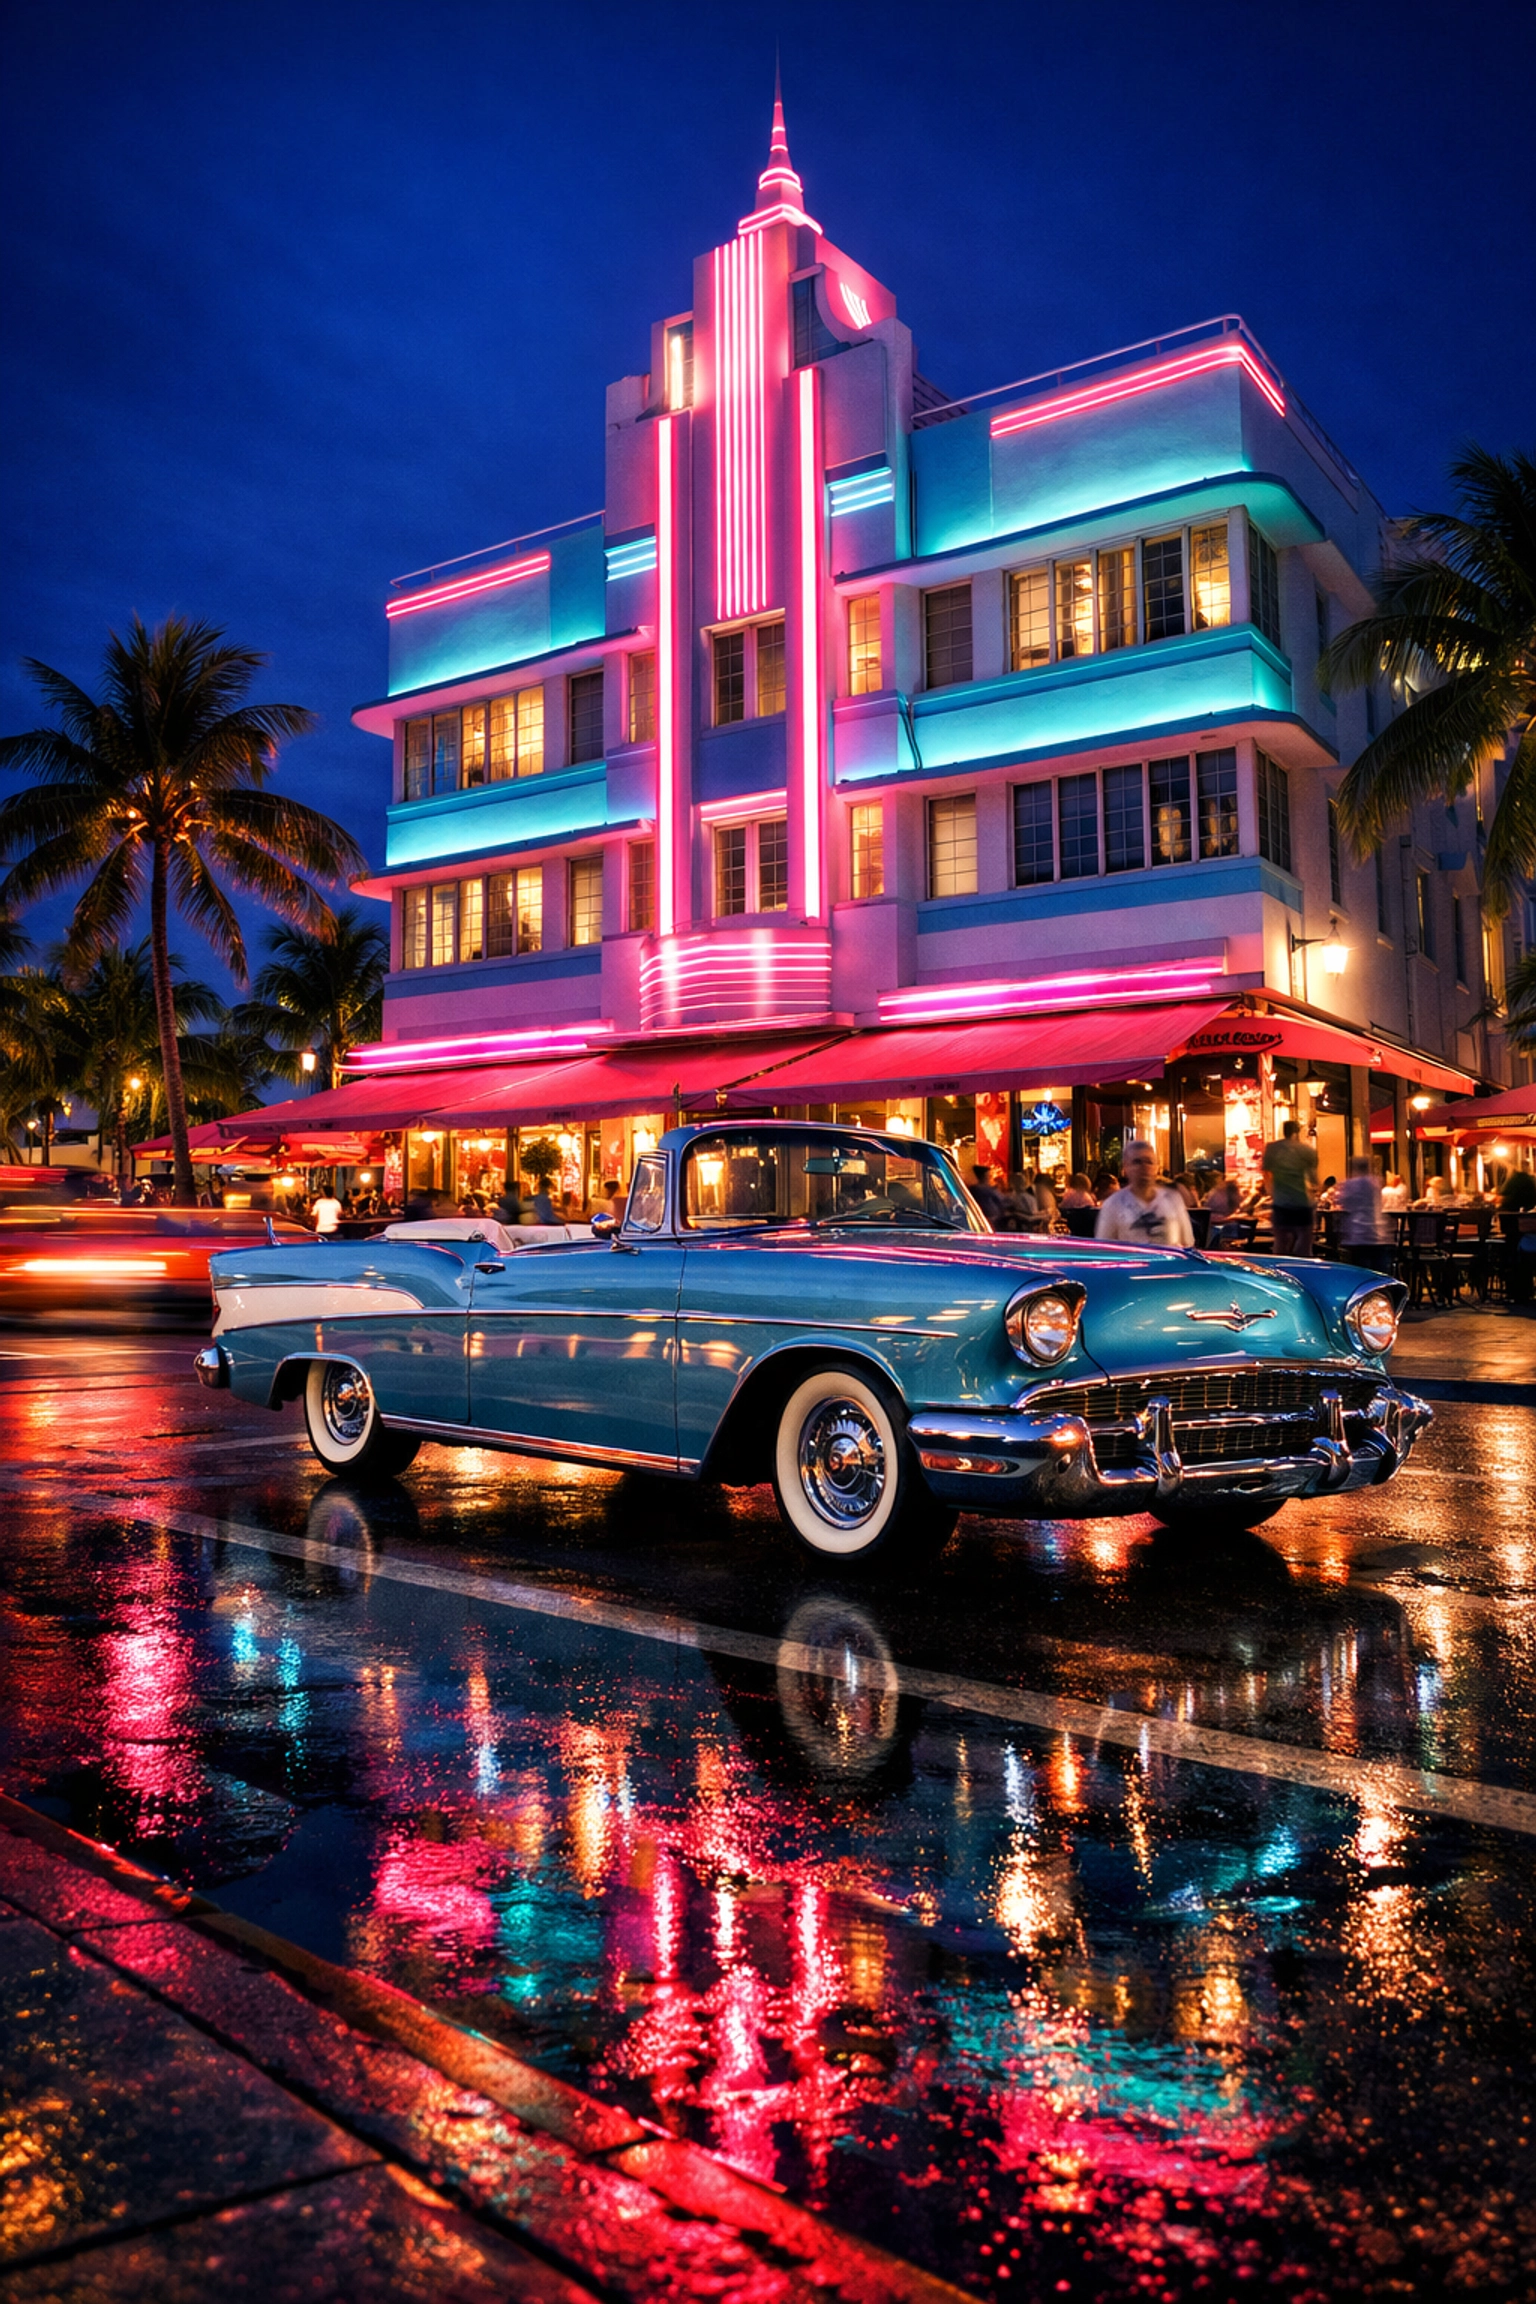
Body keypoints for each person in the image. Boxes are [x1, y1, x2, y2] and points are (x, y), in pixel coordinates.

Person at [1094, 1140, 1195, 1248]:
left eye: (1149, 1162)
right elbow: (1104, 1249)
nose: (1144, 1167)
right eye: (1137, 1162)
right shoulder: (1113, 1205)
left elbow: (1187, 1244)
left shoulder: (1173, 1200)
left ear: (1157, 1167)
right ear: (1126, 1167)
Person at [1262, 1120, 1318, 1256]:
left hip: (1281, 1202)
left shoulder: (1272, 1149)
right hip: (1302, 1201)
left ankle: (1280, 1268)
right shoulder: (1307, 1150)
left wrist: (1272, 1193)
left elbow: (1266, 1173)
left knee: (1280, 1240)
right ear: (1297, 1132)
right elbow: (1313, 1179)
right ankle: (1301, 1264)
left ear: (1284, 1131)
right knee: (1305, 1237)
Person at [1336, 1155, 1391, 1271]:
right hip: (1378, 1233)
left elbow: (1342, 1201)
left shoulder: (1351, 1184)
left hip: (1357, 1233)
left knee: (1360, 1269)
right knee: (1379, 1270)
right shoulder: (1375, 1183)